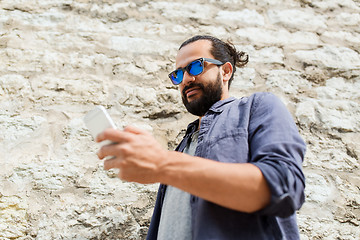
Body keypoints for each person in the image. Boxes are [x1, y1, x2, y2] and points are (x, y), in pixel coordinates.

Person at [96, 35, 306, 239]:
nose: (186, 79)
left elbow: (284, 186)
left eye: (196, 66)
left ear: (225, 71)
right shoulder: (184, 145)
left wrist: (162, 164)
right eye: (178, 75)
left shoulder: (258, 107)